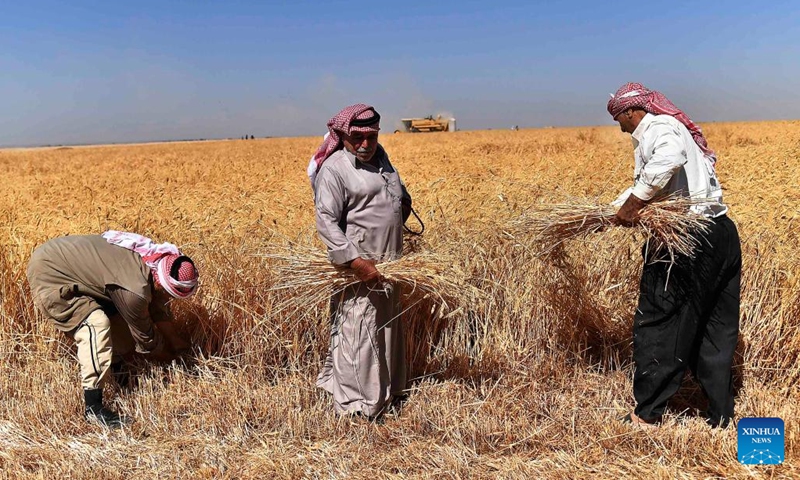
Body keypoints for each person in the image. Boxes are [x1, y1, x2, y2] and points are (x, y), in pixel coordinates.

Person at [607, 82, 741, 428]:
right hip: (720, 233)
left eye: (619, 118)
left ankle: (648, 414)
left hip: (684, 239)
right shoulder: (673, 126)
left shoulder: (659, 128)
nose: (619, 126)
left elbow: (667, 161)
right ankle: (720, 415)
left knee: (659, 321)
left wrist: (635, 203)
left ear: (631, 111)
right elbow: (660, 180)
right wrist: (607, 212)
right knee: (716, 324)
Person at [26, 230, 199, 427]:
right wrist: (175, 361)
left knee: (121, 330)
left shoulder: (154, 263)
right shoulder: (136, 291)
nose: (171, 299)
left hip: (75, 267)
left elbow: (158, 307)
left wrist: (177, 342)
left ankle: (120, 376)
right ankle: (93, 407)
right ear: (161, 280)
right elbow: (146, 339)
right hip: (50, 271)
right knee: (95, 325)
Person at [309, 103, 413, 419]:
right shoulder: (336, 169)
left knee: (385, 329)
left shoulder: (382, 159)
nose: (366, 144)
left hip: (389, 263)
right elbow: (326, 220)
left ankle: (387, 391)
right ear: (342, 135)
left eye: (372, 136)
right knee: (360, 330)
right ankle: (357, 405)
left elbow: (395, 198)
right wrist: (356, 262)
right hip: (360, 268)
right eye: (358, 138)